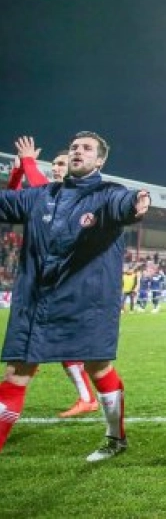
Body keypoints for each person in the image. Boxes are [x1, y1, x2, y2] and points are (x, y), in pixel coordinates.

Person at [0, 131, 150, 459]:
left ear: (100, 160)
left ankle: (116, 439)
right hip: (38, 303)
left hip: (86, 302)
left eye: (86, 148)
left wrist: (136, 202)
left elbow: (122, 204)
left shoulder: (107, 194)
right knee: (16, 373)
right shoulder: (41, 195)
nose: (77, 152)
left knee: (98, 367)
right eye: (74, 148)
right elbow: (6, 202)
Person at [6, 138, 100, 418]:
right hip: (42, 283)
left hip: (68, 284)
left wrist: (28, 163)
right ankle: (89, 399)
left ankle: (102, 410)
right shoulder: (47, 195)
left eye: (61, 163)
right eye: (55, 164)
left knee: (24, 364)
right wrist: (18, 173)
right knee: (58, 352)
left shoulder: (73, 197)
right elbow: (12, 201)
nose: (57, 168)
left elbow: (39, 192)